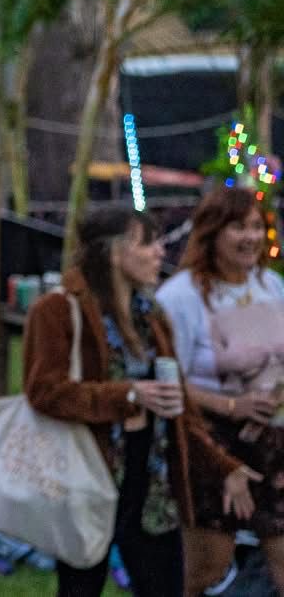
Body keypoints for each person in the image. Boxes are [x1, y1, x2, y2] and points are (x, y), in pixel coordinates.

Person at [27, 206, 254, 597]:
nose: (160, 252)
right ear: (114, 252)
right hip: (90, 476)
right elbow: (45, 390)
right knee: (80, 588)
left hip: (151, 484)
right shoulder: (59, 309)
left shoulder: (150, 315)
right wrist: (129, 394)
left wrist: (225, 467)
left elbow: (178, 407)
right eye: (147, 243)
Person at [156, 188, 284, 591]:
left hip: (273, 445)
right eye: (237, 227)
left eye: (255, 226)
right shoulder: (180, 297)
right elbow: (166, 383)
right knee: (208, 571)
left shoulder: (272, 286)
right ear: (211, 232)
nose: (250, 237)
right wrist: (232, 405)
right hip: (210, 446)